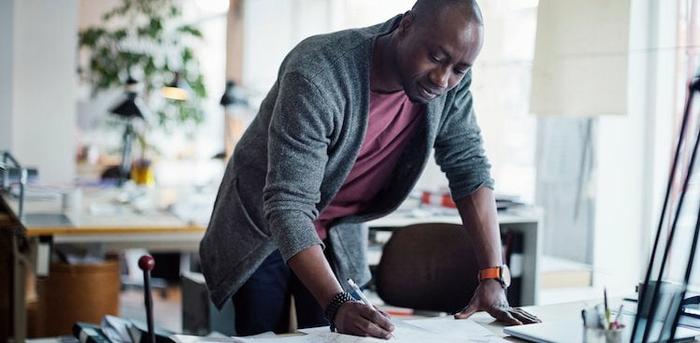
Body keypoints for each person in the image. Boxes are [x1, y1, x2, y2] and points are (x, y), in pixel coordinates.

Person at [200, 0, 540, 338]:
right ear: (405, 26)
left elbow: (469, 166)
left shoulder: (452, 80)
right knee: (260, 334)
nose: (442, 78)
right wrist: (337, 304)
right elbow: (288, 205)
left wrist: (492, 275)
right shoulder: (318, 72)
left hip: (334, 229)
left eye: (459, 69)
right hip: (261, 224)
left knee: (336, 335)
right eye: (435, 57)